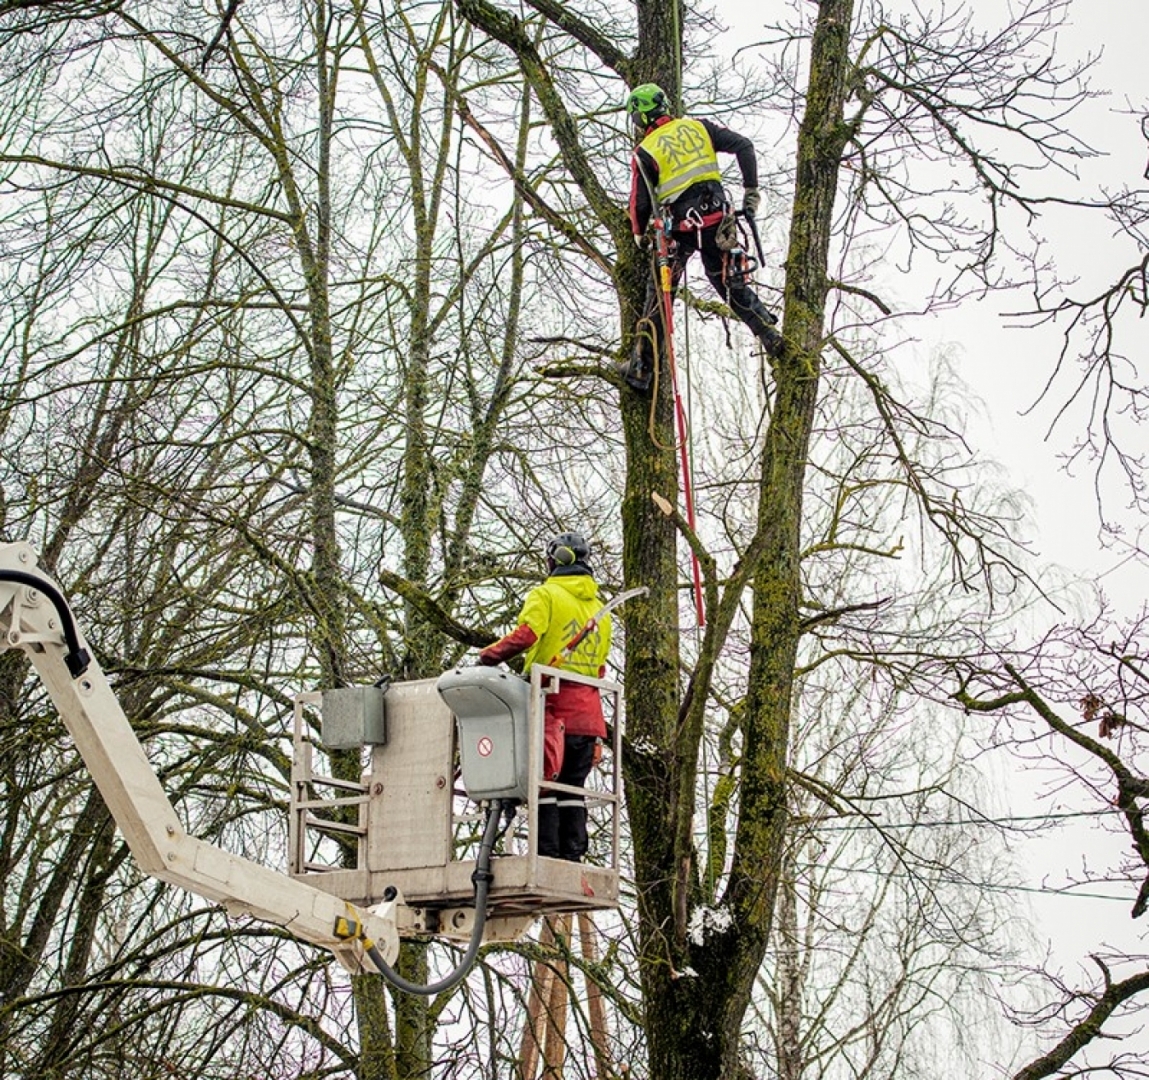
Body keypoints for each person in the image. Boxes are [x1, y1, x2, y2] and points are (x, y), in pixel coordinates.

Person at [619, 83, 782, 392]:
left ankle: (640, 370)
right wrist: (751, 192)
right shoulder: (699, 128)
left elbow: (639, 205)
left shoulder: (645, 152)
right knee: (731, 286)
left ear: (640, 117)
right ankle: (770, 336)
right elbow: (744, 145)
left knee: (660, 298)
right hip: (716, 222)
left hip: (679, 231)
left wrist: (640, 235)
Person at [477, 532, 612, 862]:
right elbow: (599, 669)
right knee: (573, 789)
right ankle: (572, 858)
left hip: (553, 711)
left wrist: (488, 657)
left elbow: (527, 635)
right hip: (589, 717)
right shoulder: (599, 610)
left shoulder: (546, 594)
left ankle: (548, 858)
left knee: (546, 786)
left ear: (555, 560)